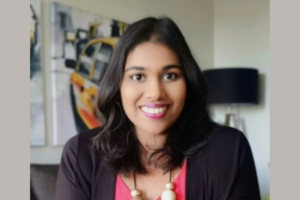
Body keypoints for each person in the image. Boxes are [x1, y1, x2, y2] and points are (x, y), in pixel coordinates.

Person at [55, 17, 261, 200]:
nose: (155, 92)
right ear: (118, 87)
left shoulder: (228, 149)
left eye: (169, 75)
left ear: (187, 84)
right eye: (138, 76)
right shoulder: (81, 154)